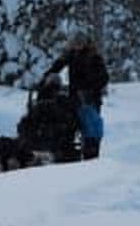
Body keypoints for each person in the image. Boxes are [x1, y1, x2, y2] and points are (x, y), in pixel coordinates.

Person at [42, 31, 109, 160]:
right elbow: (58, 65)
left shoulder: (94, 57)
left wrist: (91, 89)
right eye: (75, 44)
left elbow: (104, 77)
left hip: (90, 99)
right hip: (75, 97)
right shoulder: (71, 55)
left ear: (85, 43)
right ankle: (69, 150)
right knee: (71, 123)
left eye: (80, 43)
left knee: (91, 126)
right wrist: (47, 77)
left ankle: (92, 154)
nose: (77, 46)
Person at [17, 73, 80, 163]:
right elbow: (74, 124)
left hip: (40, 141)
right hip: (56, 143)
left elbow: (26, 122)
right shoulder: (64, 102)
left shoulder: (40, 102)